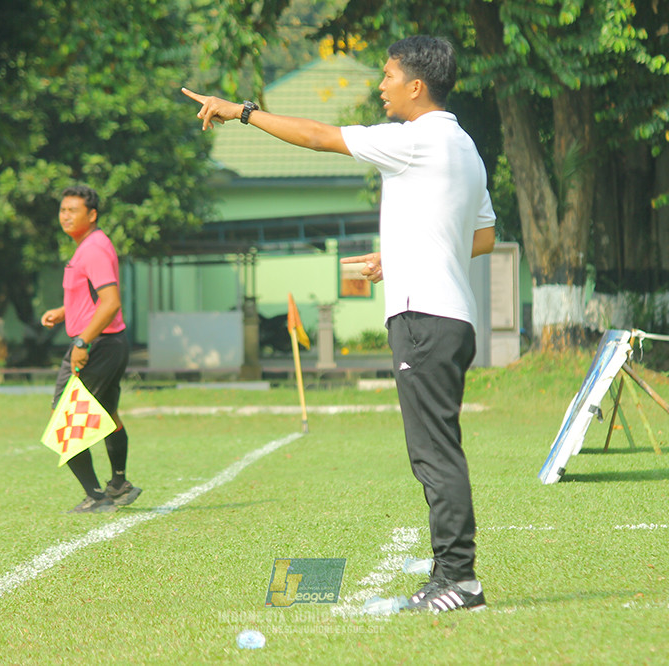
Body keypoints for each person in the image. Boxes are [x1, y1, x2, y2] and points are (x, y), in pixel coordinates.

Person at [183, 35, 496, 612]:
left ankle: (460, 580)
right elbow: (484, 236)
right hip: (451, 317)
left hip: (423, 317)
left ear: (416, 86)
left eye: (387, 76)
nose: (380, 86)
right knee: (436, 447)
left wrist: (243, 112)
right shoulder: (465, 147)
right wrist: (398, 255)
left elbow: (320, 138)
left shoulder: (414, 139)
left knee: (434, 453)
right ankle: (449, 573)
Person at [40, 185, 142, 514]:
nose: (65, 216)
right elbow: (92, 297)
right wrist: (64, 311)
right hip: (109, 343)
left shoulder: (95, 248)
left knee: (64, 415)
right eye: (62, 210)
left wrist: (82, 342)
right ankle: (119, 485)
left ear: (92, 215)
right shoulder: (88, 247)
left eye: (73, 210)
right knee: (108, 415)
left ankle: (96, 497)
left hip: (98, 344)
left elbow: (110, 303)